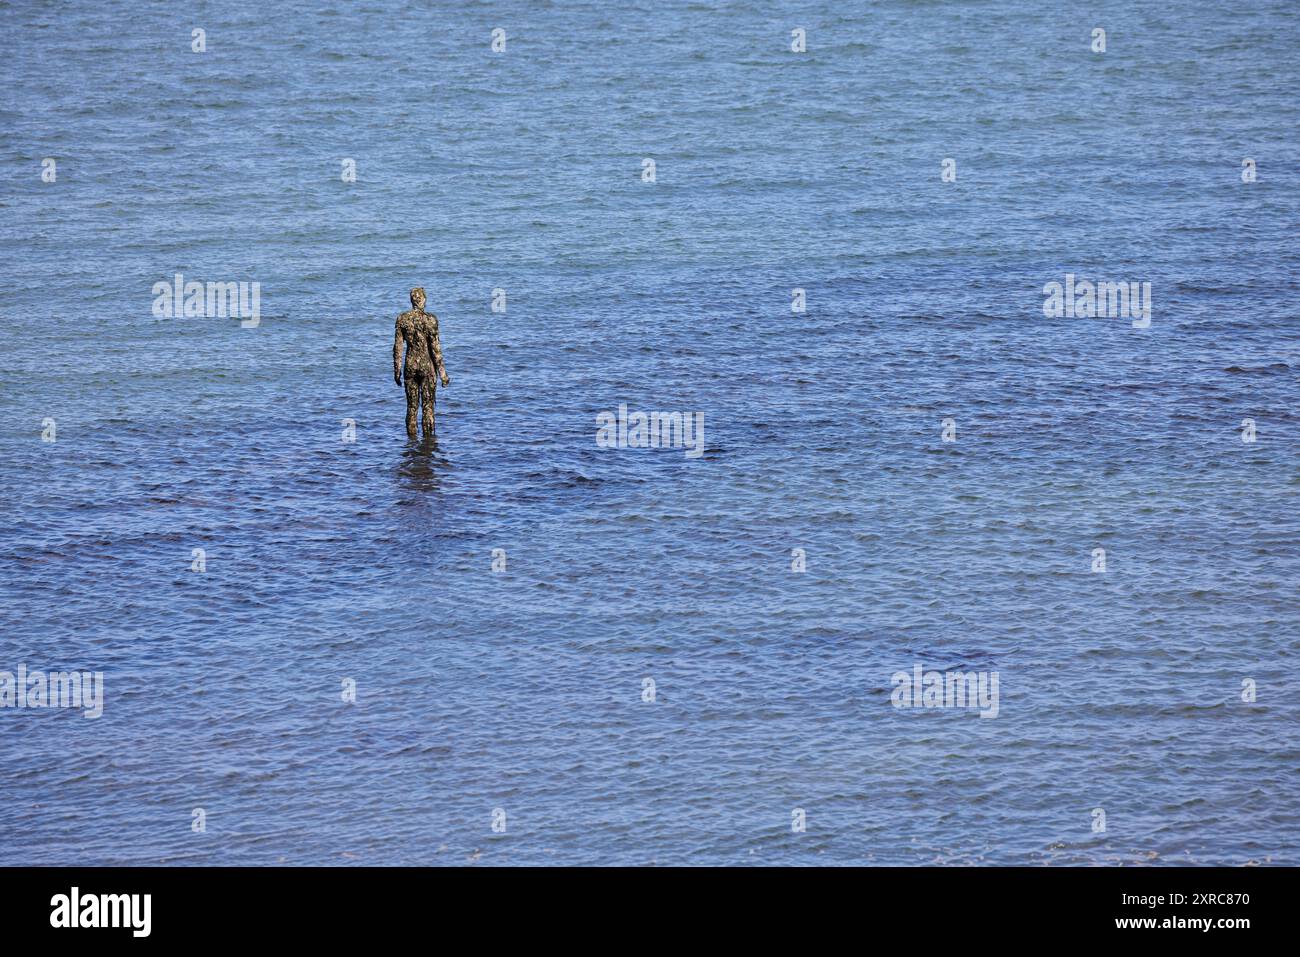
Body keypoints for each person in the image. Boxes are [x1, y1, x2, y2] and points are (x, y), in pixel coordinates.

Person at [392, 287, 449, 436]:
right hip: (427, 366)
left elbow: (398, 348)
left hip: (410, 365)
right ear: (423, 300)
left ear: (412, 300)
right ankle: (428, 442)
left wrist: (397, 371)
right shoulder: (431, 319)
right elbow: (436, 349)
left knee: (411, 407)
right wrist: (443, 375)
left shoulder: (402, 319)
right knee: (428, 407)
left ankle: (411, 442)